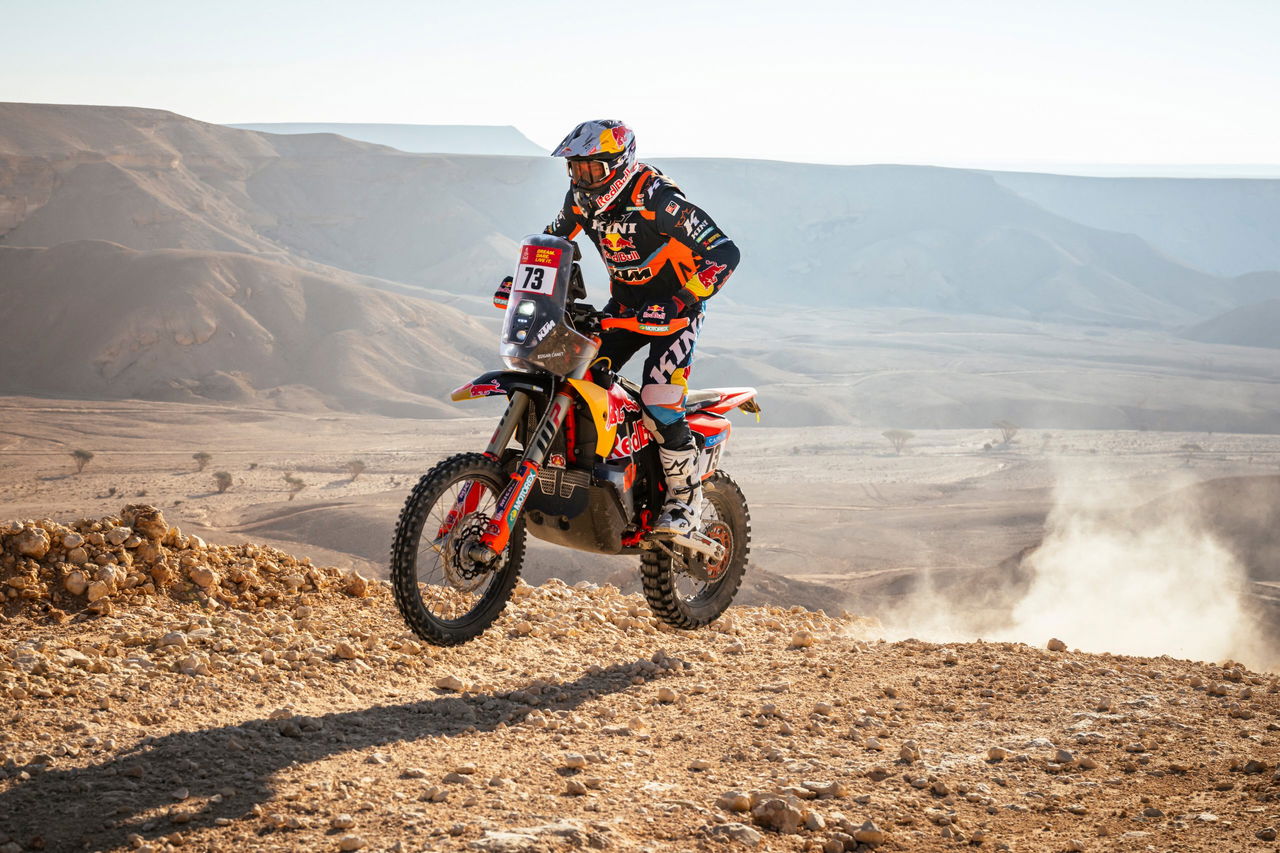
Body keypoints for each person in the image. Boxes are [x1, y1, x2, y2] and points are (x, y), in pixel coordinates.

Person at [495, 119, 740, 537]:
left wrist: (682, 300)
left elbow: (724, 253)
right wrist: (523, 280)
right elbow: (553, 241)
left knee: (659, 401)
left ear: (620, 163)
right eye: (575, 168)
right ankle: (602, 474)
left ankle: (684, 499)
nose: (582, 177)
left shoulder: (658, 199)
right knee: (573, 375)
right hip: (624, 309)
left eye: (592, 168)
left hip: (675, 313)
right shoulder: (580, 201)